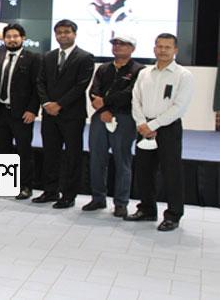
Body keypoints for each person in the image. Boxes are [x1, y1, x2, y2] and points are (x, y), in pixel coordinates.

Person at [126, 33, 194, 232]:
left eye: (167, 47)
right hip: (143, 127)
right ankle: (147, 209)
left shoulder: (183, 75)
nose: (163, 50)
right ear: (154, 48)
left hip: (167, 128)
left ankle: (173, 215)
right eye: (159, 46)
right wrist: (142, 123)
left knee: (171, 172)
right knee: (144, 171)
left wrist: (154, 125)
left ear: (175, 50)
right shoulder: (145, 73)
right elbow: (135, 99)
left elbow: (179, 107)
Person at [34, 19, 94, 208]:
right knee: (50, 154)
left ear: (74, 34)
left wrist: (59, 104)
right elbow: (40, 82)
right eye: (59, 32)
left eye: (67, 32)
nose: (63, 35)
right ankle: (50, 191)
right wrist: (46, 103)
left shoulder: (85, 57)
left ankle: (69, 195)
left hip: (72, 115)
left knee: (72, 156)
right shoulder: (47, 56)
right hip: (49, 114)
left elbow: (81, 86)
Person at [82, 34, 144, 217]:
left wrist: (106, 103)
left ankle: (121, 203)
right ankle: (98, 198)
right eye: (115, 43)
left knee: (122, 160)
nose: (117, 47)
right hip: (101, 118)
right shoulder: (103, 68)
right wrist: (103, 110)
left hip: (125, 118)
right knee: (96, 159)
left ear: (132, 48)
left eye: (123, 44)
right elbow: (94, 92)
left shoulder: (139, 70)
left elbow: (130, 94)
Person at [0, 24, 41, 200]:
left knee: (23, 150)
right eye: (8, 37)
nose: (12, 40)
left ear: (23, 38)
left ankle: (25, 186)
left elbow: (37, 87)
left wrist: (32, 110)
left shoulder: (33, 58)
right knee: (1, 149)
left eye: (15, 36)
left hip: (22, 114)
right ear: (4, 39)